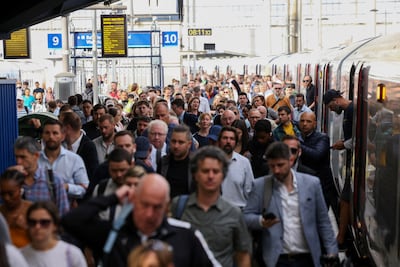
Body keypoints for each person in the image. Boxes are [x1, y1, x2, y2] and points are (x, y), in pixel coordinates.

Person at [61, 173, 220, 267]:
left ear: (166, 206)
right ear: (133, 200)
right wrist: (113, 197)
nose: (149, 214)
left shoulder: (185, 235)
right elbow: (71, 221)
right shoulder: (114, 234)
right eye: (144, 205)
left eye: (157, 207)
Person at [243, 142, 338, 267]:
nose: (276, 170)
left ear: (291, 161)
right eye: (272, 166)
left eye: (280, 165)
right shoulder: (261, 186)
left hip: (308, 258)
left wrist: (332, 251)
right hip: (276, 259)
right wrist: (261, 221)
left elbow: (323, 221)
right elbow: (246, 217)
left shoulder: (311, 184)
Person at [170, 146, 252, 267]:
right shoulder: (178, 206)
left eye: (216, 171)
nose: (210, 176)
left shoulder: (233, 213)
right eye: (205, 171)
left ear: (223, 175)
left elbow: (243, 255)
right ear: (195, 174)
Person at [323, 89, 353, 246]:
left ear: (335, 101)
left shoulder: (351, 111)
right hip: (350, 163)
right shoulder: (349, 111)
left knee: (345, 198)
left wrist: (343, 144)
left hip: (354, 164)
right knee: (344, 198)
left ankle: (341, 238)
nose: (331, 110)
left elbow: (358, 138)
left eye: (330, 106)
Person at [11, 136, 70, 216]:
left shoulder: (53, 180)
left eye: (23, 157)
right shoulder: (12, 179)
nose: (18, 161)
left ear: (36, 156)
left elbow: (63, 213)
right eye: (16, 157)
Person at [20, 201, 88, 267]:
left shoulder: (72, 254)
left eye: (44, 222)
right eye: (32, 222)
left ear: (55, 225)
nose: (37, 227)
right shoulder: (19, 256)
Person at [38, 119, 89, 203]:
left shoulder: (74, 160)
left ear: (62, 136)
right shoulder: (35, 160)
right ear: (42, 136)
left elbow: (84, 189)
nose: (51, 137)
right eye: (47, 133)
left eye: (55, 133)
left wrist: (67, 187)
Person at [298, 111, 338, 210]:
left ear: (314, 123)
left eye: (308, 121)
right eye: (302, 121)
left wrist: (297, 144)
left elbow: (317, 154)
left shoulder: (322, 138)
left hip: (322, 185)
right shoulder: (300, 137)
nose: (305, 124)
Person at [218, 126, 254, 209]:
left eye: (232, 139)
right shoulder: (211, 161)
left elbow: (249, 190)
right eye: (225, 138)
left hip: (239, 211)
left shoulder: (244, 162)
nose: (228, 141)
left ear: (236, 142)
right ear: (219, 140)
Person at [159, 125, 194, 198]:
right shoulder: (163, 162)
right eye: (173, 141)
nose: (176, 146)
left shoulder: (196, 164)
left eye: (181, 142)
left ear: (189, 144)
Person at [0, 169, 32, 248]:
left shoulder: (32, 210)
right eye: (2, 194)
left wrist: (27, 228)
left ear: (21, 189)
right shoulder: (1, 212)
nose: (6, 198)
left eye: (11, 194)